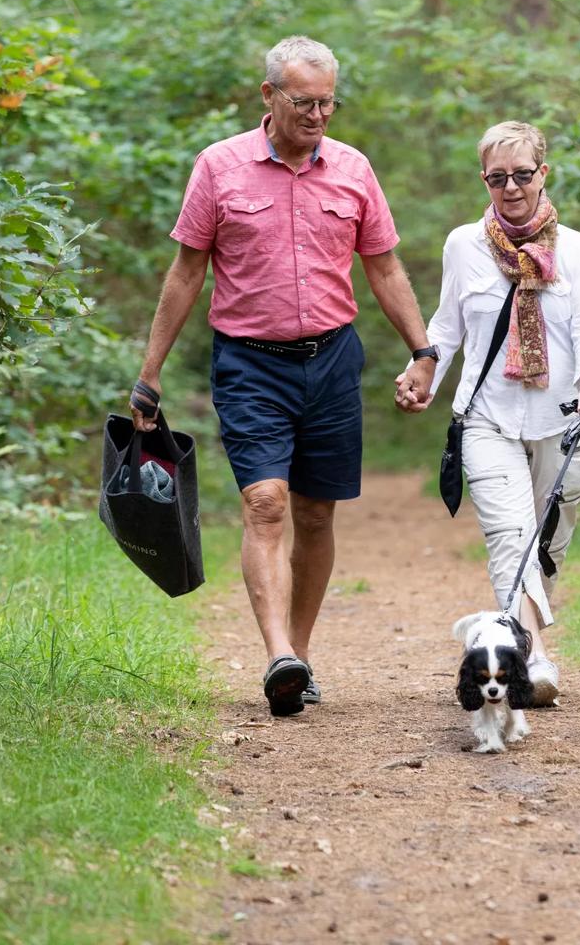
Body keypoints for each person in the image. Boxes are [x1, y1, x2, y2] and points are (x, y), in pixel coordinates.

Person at [130, 36, 437, 717]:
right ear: (268, 97)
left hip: (332, 361)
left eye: (329, 102)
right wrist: (148, 376)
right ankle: (277, 653)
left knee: (316, 514)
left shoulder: (354, 170)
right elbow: (186, 272)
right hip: (249, 363)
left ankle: (298, 655)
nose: (320, 114)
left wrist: (423, 349)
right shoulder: (219, 168)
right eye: (305, 102)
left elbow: (383, 267)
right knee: (265, 502)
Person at [396, 120, 580, 706]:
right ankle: (532, 661)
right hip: (487, 418)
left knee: (545, 548)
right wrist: (424, 373)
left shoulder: (577, 250)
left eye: (521, 175)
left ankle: (526, 632)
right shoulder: (463, 244)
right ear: (483, 179)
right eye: (496, 178)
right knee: (511, 539)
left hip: (566, 420)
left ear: (543, 174)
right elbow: (447, 326)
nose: (510, 187)